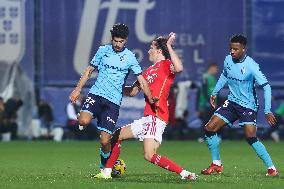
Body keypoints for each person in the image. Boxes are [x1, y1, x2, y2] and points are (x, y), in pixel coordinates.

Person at [94, 33, 197, 180]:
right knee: (116, 135)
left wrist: (168, 45)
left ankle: (185, 174)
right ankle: (106, 173)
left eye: (151, 47)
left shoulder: (166, 65)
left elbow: (179, 68)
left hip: (157, 117)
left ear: (159, 50)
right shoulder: (147, 71)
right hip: (147, 118)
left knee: (149, 155)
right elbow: (133, 91)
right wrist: (113, 85)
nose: (149, 50)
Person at [69, 23, 154, 169]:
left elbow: (141, 80)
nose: (118, 44)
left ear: (126, 40)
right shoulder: (103, 50)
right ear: (112, 38)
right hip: (96, 94)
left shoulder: (130, 57)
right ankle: (87, 116)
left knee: (105, 141)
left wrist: (151, 98)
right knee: (83, 121)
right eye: (115, 41)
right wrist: (77, 90)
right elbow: (89, 70)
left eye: (121, 41)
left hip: (113, 102)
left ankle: (104, 167)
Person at [200, 34, 278, 177]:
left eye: (235, 49)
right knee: (209, 128)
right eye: (231, 48)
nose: (232, 51)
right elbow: (224, 75)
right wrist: (214, 92)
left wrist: (267, 110)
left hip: (248, 105)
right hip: (232, 102)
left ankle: (271, 169)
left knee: (250, 136)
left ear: (243, 49)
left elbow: (266, 87)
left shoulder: (252, 66)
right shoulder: (228, 59)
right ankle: (216, 164)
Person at [197, 63, 219, 142]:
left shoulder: (213, 78)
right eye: (215, 68)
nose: (216, 70)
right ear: (211, 68)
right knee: (206, 120)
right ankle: (202, 137)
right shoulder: (205, 77)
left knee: (214, 120)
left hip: (213, 103)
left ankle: (211, 136)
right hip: (207, 103)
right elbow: (204, 91)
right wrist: (209, 101)